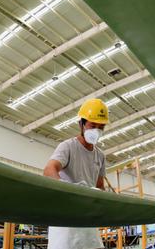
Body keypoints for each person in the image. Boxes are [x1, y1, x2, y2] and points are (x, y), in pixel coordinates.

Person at [43, 98, 108, 249]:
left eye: (101, 127)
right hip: (66, 219)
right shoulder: (68, 147)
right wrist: (67, 190)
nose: (96, 131)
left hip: (87, 220)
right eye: (93, 125)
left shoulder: (100, 156)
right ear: (81, 124)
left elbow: (100, 187)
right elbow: (49, 170)